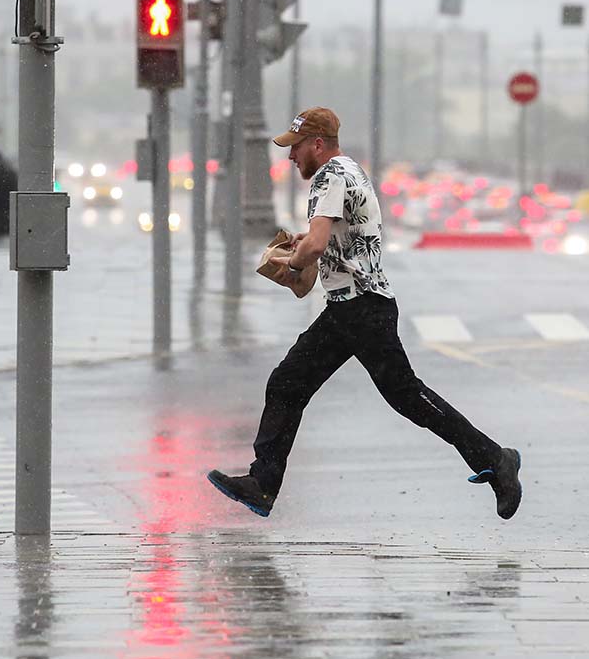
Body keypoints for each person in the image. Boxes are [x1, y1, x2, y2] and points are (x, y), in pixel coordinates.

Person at [207, 107, 522, 520]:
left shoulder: (327, 177)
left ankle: (497, 459)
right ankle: (262, 484)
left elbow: (316, 246)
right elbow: (338, 235)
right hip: (352, 307)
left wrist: (295, 262)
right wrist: (310, 243)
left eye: (296, 148)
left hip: (361, 307)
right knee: (290, 385)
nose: (290, 157)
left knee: (404, 396)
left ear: (317, 144)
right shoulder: (349, 170)